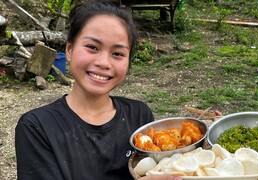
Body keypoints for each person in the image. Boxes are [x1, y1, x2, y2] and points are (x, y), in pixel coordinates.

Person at [15, 1, 181, 180]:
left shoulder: (139, 116)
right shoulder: (38, 127)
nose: (103, 62)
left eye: (117, 53)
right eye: (92, 47)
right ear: (69, 49)